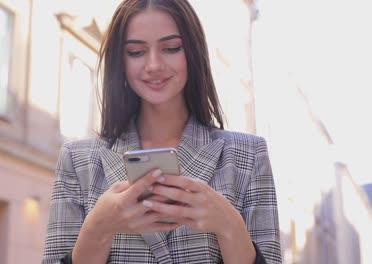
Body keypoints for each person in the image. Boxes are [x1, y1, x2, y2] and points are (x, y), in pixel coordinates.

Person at [42, 0, 281, 263]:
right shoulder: (77, 161)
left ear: (192, 52)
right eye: (136, 52)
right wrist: (97, 228)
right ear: (120, 61)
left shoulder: (248, 154)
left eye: (171, 48)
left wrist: (229, 226)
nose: (154, 64)